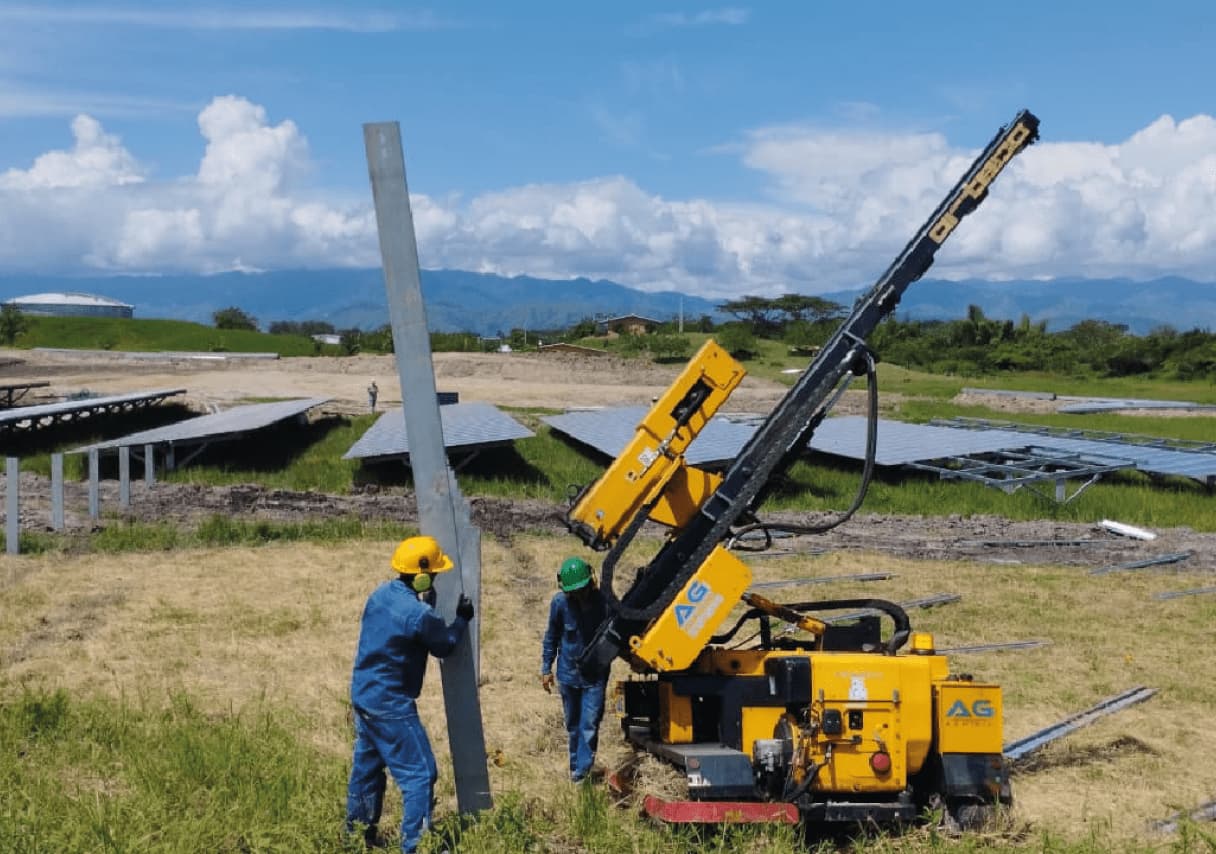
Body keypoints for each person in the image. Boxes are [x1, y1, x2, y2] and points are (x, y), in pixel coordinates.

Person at [346, 535, 475, 853]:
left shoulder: (380, 596)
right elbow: (442, 644)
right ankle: (414, 846)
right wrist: (461, 619)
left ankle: (356, 838)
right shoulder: (419, 616)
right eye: (433, 574)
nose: (435, 578)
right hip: (391, 705)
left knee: (368, 771)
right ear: (420, 576)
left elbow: (404, 626)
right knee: (421, 774)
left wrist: (426, 603)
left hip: (365, 696)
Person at [540, 556, 609, 783]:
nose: (579, 595)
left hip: (595, 676)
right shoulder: (559, 604)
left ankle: (582, 774)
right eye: (574, 592)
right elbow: (551, 636)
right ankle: (575, 767)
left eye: (582, 589)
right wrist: (545, 668)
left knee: (589, 724)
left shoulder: (604, 602)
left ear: (591, 582)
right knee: (573, 725)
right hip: (568, 674)